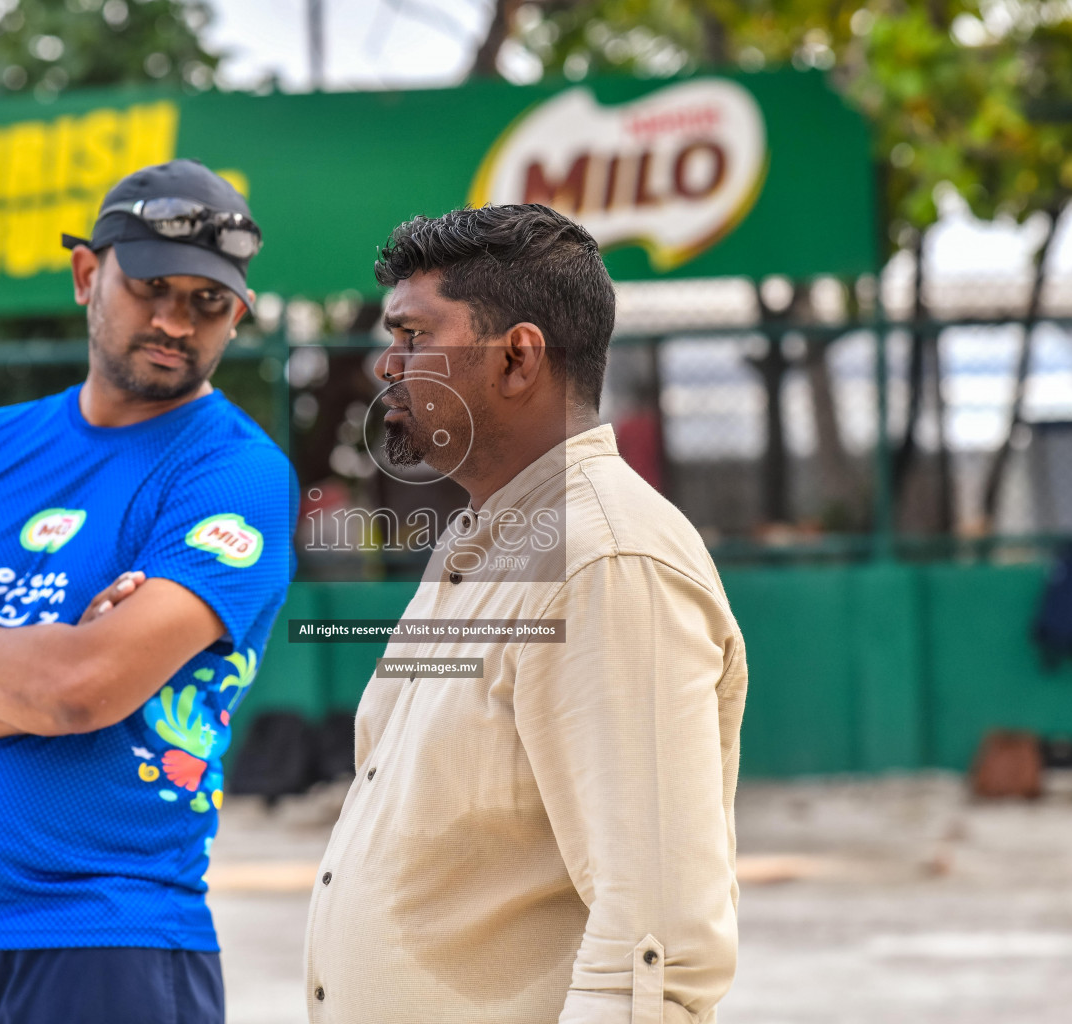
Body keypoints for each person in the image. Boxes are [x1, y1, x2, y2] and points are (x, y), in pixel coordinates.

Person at [0, 159, 296, 1024]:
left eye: (209, 302)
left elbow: (79, 689)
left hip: (114, 943)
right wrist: (48, 679)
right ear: (85, 275)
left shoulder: (235, 474)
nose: (177, 321)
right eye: (151, 287)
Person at [303, 205, 748, 1023]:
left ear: (517, 358)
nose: (384, 367)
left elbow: (656, 946)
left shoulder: (608, 563)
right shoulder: (486, 542)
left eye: (413, 338)